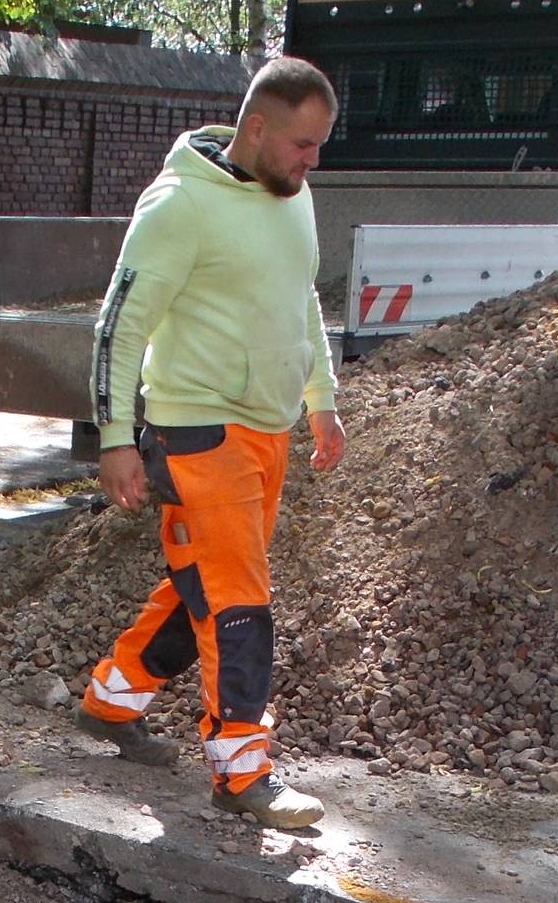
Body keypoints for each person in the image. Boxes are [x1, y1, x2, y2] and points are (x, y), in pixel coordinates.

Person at [73, 56, 350, 830]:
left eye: (320, 145)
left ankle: (113, 697)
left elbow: (301, 306)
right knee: (238, 601)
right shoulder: (178, 207)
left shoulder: (294, 197)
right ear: (255, 128)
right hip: (196, 429)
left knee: (205, 581)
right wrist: (116, 439)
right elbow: (119, 327)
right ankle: (241, 770)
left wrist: (320, 402)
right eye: (302, 144)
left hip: (269, 430)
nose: (312, 160)